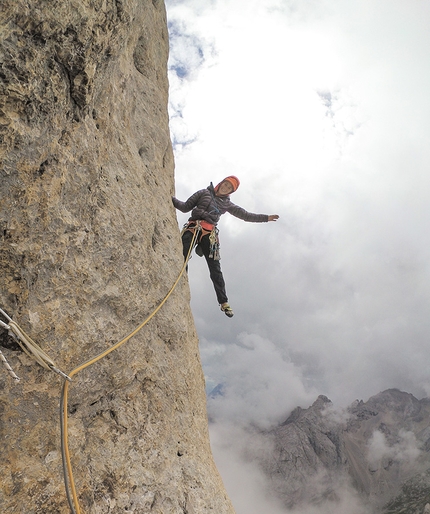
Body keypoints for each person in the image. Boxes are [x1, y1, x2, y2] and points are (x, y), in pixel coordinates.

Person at [172, 176, 279, 318]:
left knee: (215, 268)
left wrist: (266, 218)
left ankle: (224, 302)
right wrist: (169, 197)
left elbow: (245, 215)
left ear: (231, 192)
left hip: (208, 234)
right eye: (226, 184)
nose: (226, 188)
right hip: (193, 227)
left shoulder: (227, 204)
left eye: (230, 188)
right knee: (181, 256)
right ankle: (180, 284)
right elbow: (185, 207)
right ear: (221, 183)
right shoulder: (203, 193)